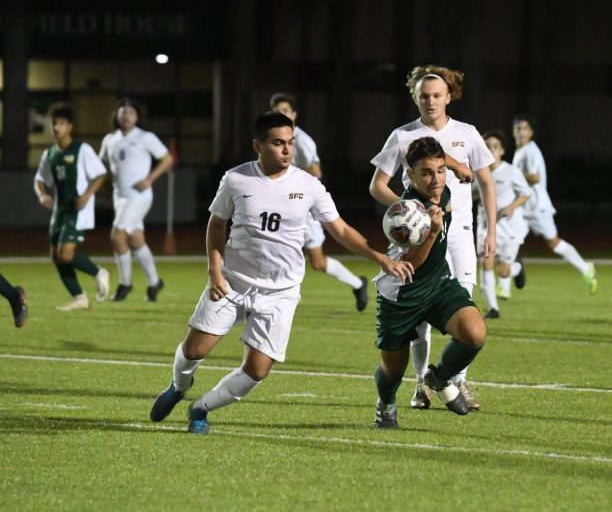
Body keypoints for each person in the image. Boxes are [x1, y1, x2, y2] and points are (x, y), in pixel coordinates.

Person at [148, 112, 413, 434]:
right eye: (278, 143)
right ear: (258, 146)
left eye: (290, 143)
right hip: (233, 282)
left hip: (280, 292)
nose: (287, 150)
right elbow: (217, 224)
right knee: (194, 350)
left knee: (256, 372)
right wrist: (214, 271)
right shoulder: (236, 179)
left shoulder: (309, 185)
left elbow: (340, 229)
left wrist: (379, 257)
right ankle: (178, 387)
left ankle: (201, 408)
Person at [369, 64, 496, 411]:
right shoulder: (402, 136)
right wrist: (408, 213)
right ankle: (421, 384)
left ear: (448, 97)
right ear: (415, 97)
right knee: (420, 321)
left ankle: (456, 381)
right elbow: (377, 185)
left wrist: (491, 231)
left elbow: (485, 181)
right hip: (419, 236)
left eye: (436, 95)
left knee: (465, 309)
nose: (430, 101)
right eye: (423, 95)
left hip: (461, 232)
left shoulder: (467, 133)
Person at [372, 137, 487, 428]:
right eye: (425, 173)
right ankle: (385, 405)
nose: (435, 178)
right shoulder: (406, 212)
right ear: (409, 175)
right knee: (392, 371)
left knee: (475, 333)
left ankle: (439, 377)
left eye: (439, 170)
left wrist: (456, 164)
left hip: (437, 285)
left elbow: (437, 158)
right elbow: (409, 265)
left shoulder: (443, 190)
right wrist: (433, 231)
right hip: (402, 294)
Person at [269, 93, 369, 311]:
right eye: (277, 112)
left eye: (285, 111)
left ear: (294, 114)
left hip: (303, 209)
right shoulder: (271, 139)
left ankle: (358, 284)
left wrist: (292, 180)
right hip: (282, 208)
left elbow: (316, 171)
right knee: (272, 249)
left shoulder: (302, 141)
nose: (281, 115)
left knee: (318, 262)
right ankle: (276, 299)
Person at [34, 102, 110, 311]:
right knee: (55, 256)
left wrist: (86, 195)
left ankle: (99, 272)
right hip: (59, 209)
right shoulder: (49, 153)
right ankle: (79, 296)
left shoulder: (81, 149)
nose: (56, 127)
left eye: (61, 123)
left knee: (65, 254)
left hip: (77, 208)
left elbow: (100, 173)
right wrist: (42, 195)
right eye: (54, 123)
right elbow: (40, 179)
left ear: (70, 127)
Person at [511, 114, 597, 295]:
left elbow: (535, 177)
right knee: (509, 239)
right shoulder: (520, 151)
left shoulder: (530, 150)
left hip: (537, 206)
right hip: (522, 206)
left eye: (524, 129)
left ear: (531, 132)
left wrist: (511, 175)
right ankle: (508, 281)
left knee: (554, 244)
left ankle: (585, 267)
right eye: (517, 129)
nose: (520, 132)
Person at [99, 98, 173, 302]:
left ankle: (125, 283)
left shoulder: (145, 137)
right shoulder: (110, 139)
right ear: (116, 116)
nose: (126, 116)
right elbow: (102, 165)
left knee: (117, 236)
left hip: (139, 196)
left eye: (130, 113)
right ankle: (155, 282)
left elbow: (167, 159)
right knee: (136, 239)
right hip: (119, 196)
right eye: (122, 113)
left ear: (137, 117)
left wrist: (149, 179)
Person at [474, 131, 529, 319]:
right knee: (486, 262)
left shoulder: (511, 171)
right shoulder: (477, 172)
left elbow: (525, 193)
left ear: (502, 151)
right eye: (487, 146)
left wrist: (512, 207)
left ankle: (517, 269)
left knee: (504, 271)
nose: (490, 150)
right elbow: (473, 193)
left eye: (494, 146)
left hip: (509, 227)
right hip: (485, 225)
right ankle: (493, 308)